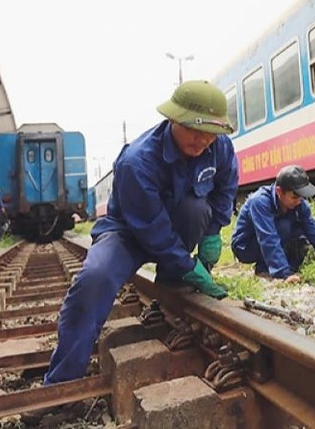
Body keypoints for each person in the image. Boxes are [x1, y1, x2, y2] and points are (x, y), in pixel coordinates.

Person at [43, 80, 238, 386]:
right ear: (173, 120)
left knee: (196, 209)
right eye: (195, 129)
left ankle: (172, 289)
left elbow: (225, 188)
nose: (203, 140)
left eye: (211, 133)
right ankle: (62, 380)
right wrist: (187, 264)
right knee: (95, 278)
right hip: (129, 233)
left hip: (174, 227)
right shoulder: (136, 161)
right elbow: (152, 228)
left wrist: (213, 231)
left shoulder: (219, 147)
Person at [231, 165, 315, 283]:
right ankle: (266, 270)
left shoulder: (300, 205)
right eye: (294, 196)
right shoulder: (259, 202)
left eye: (301, 196)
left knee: (301, 235)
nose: (299, 201)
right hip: (245, 247)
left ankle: (289, 267)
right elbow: (268, 238)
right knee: (283, 227)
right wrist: (284, 274)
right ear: (279, 192)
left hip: (270, 237)